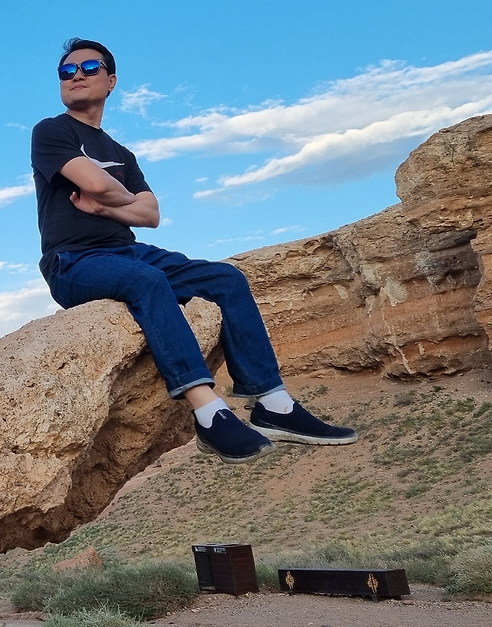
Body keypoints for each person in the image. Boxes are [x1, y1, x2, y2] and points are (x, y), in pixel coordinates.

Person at [30, 38, 357, 463]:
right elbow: (95, 184)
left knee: (226, 278)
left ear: (111, 81)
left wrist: (106, 206)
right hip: (73, 262)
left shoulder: (121, 153)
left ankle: (273, 404)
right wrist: (116, 197)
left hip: (128, 251)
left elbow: (151, 215)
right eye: (66, 70)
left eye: (88, 68)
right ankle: (209, 414)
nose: (76, 75)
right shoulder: (51, 131)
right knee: (147, 282)